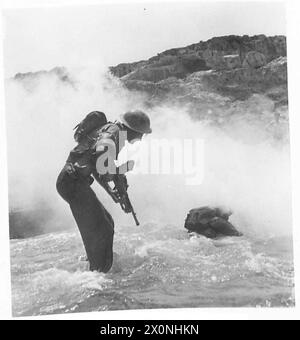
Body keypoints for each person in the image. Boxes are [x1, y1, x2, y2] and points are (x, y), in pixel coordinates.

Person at [56, 110, 152, 272]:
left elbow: (95, 165)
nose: (140, 138)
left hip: (72, 181)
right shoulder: (115, 133)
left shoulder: (112, 130)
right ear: (131, 129)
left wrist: (113, 192)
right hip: (73, 183)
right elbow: (101, 157)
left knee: (108, 222)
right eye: (140, 134)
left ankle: (96, 263)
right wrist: (119, 173)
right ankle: (97, 273)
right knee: (102, 229)